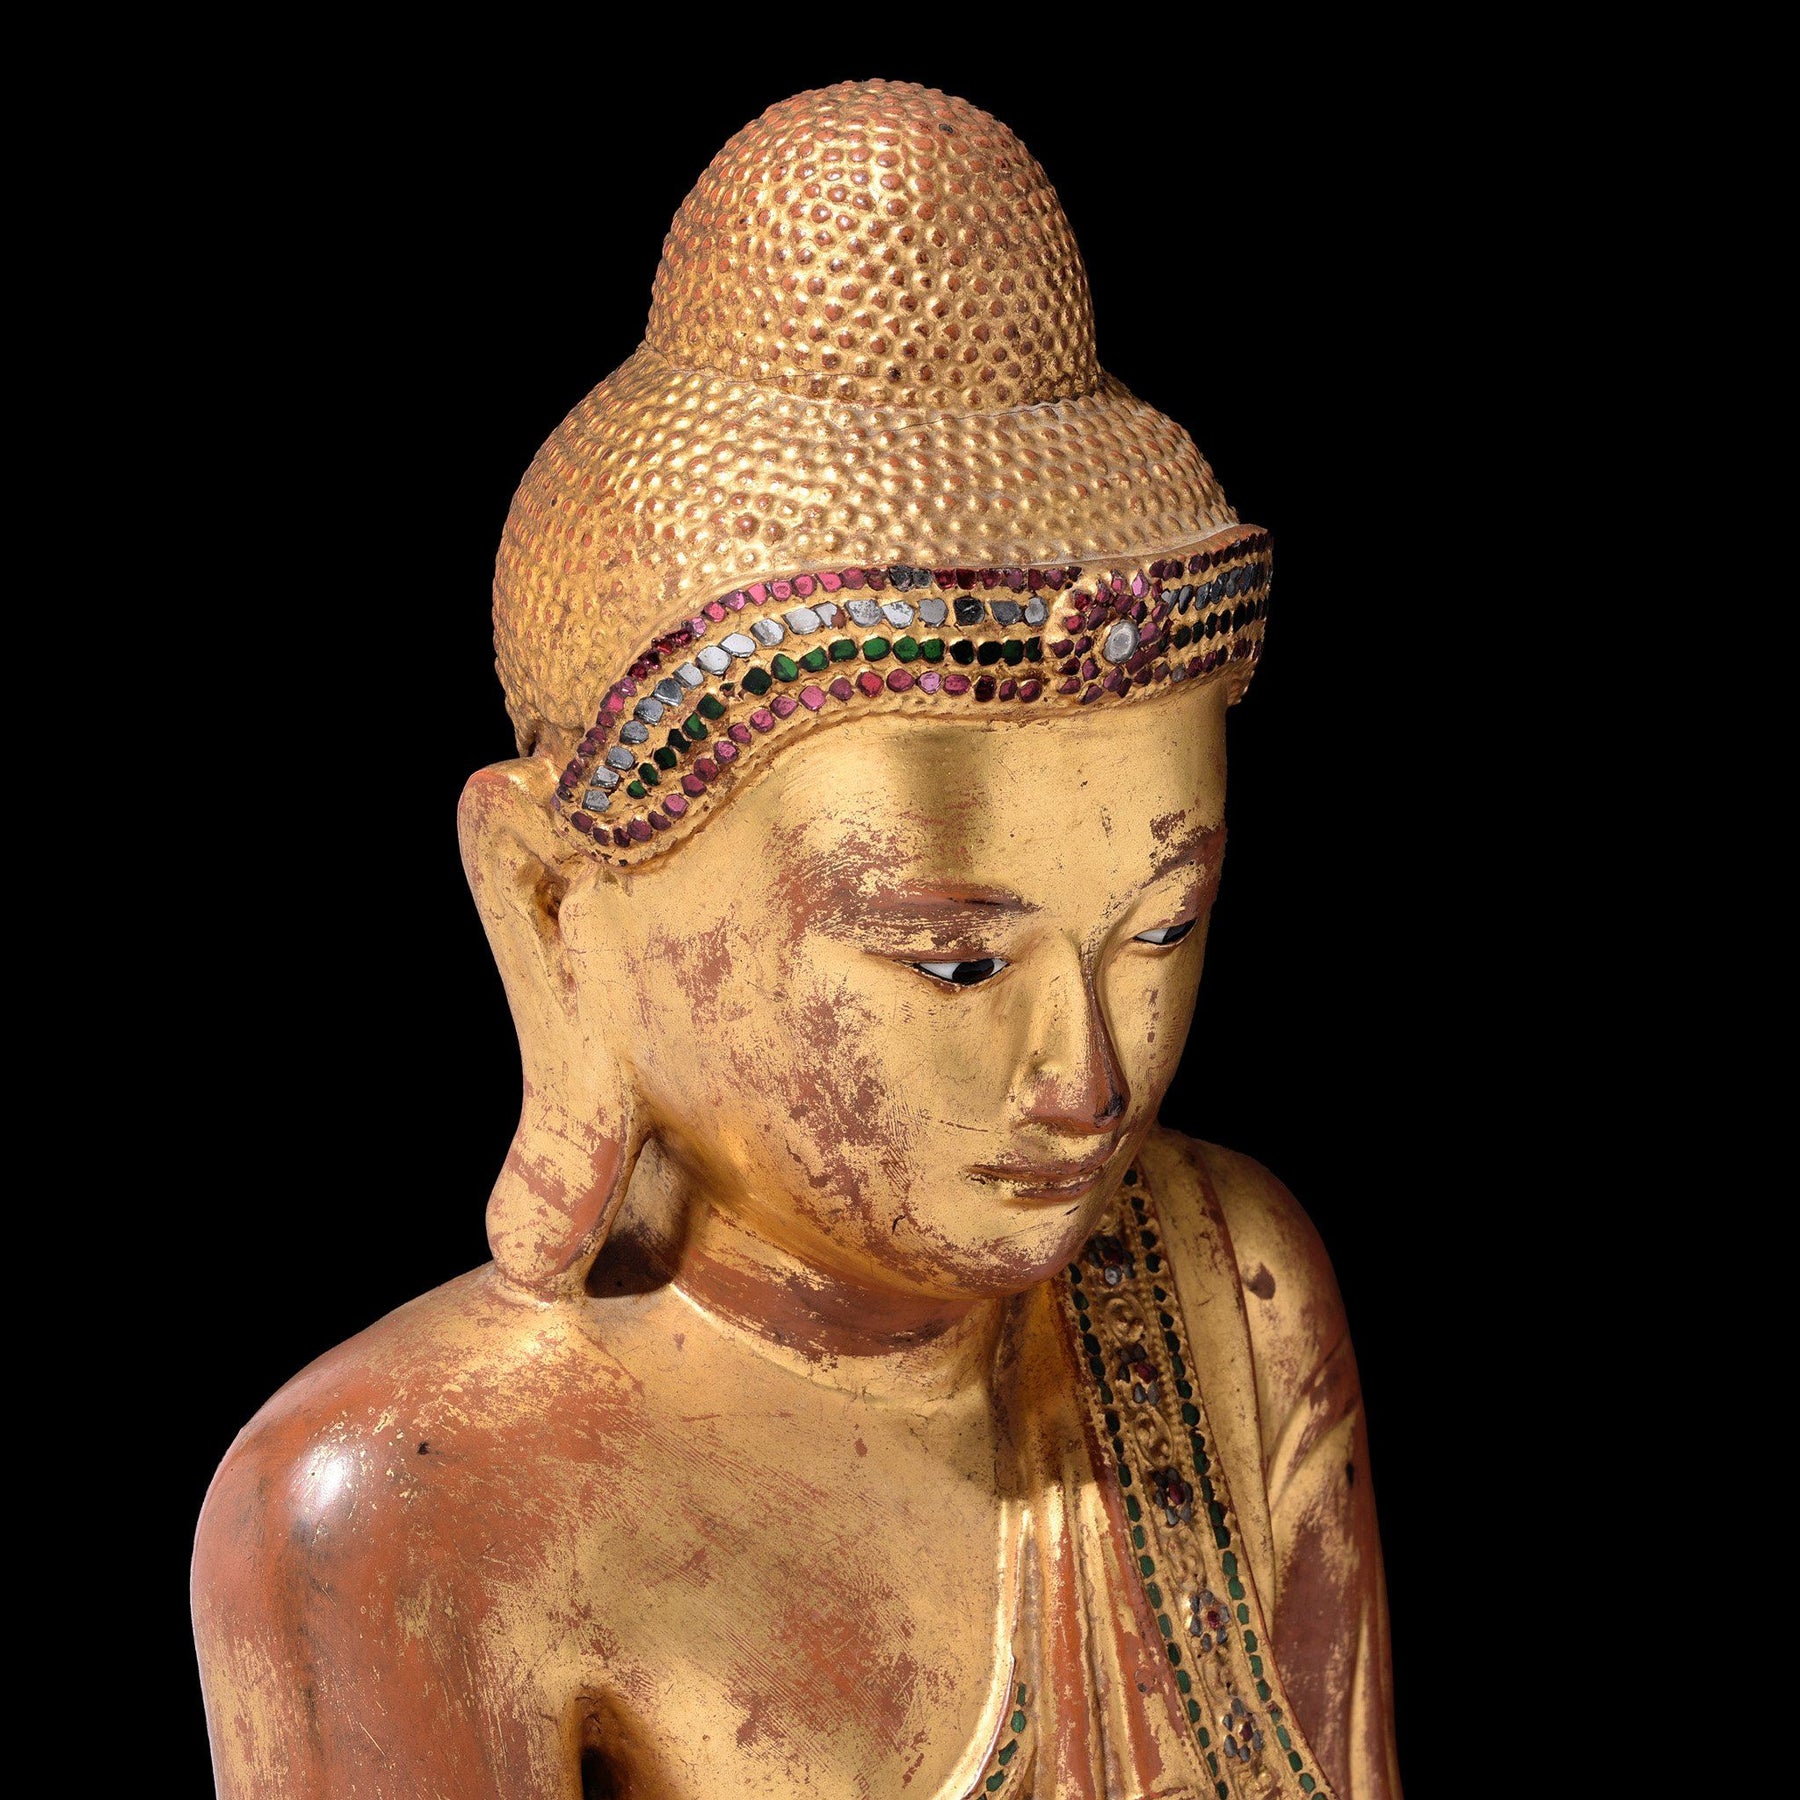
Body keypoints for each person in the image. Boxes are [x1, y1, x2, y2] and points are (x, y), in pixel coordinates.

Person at [193, 79, 1400, 1799]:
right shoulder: (406, 1511)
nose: (1089, 1080)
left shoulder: (1227, 1295)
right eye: (955, 963)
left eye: (1160, 932)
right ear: (556, 906)